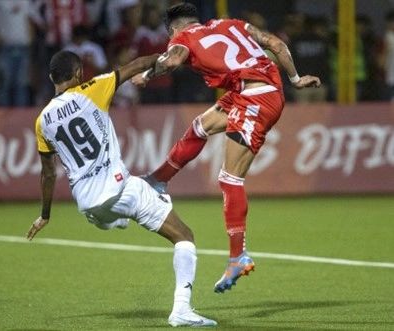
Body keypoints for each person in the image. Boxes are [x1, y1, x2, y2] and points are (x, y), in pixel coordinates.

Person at [132, 3, 321, 293]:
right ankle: (158, 181)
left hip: (256, 98)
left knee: (229, 178)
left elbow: (171, 62)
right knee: (200, 127)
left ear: (172, 28)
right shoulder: (229, 23)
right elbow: (275, 43)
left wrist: (146, 75)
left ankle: (237, 256)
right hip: (250, 90)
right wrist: (295, 79)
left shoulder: (181, 39)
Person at [27, 50, 217, 328]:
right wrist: (173, 52)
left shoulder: (42, 120)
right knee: (185, 237)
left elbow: (47, 173)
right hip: (120, 190)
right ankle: (182, 310)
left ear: (51, 77)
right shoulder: (92, 90)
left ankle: (114, 219)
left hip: (86, 203)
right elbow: (137, 65)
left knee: (116, 209)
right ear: (79, 73)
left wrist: (45, 214)